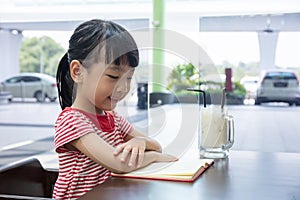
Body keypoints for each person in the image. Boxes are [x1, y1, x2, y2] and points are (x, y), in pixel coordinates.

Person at [53, 19, 177, 199]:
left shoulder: (113, 118)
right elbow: (118, 163)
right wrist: (154, 157)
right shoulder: (71, 120)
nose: (123, 88)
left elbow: (156, 146)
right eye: (113, 76)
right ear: (77, 72)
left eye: (128, 78)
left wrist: (140, 143)